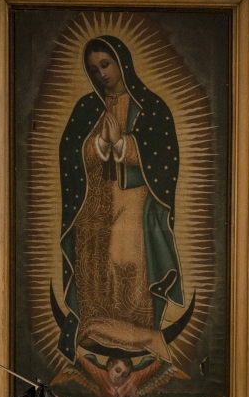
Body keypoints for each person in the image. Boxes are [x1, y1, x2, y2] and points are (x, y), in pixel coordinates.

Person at [55, 35, 183, 365]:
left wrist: (123, 144)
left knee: (126, 267)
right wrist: (97, 145)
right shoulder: (86, 107)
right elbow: (68, 153)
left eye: (105, 64)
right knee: (95, 275)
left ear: (122, 62)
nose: (101, 74)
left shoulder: (151, 107)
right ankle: (99, 330)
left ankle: (139, 334)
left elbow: (165, 158)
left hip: (133, 203)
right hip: (92, 207)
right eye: (93, 68)